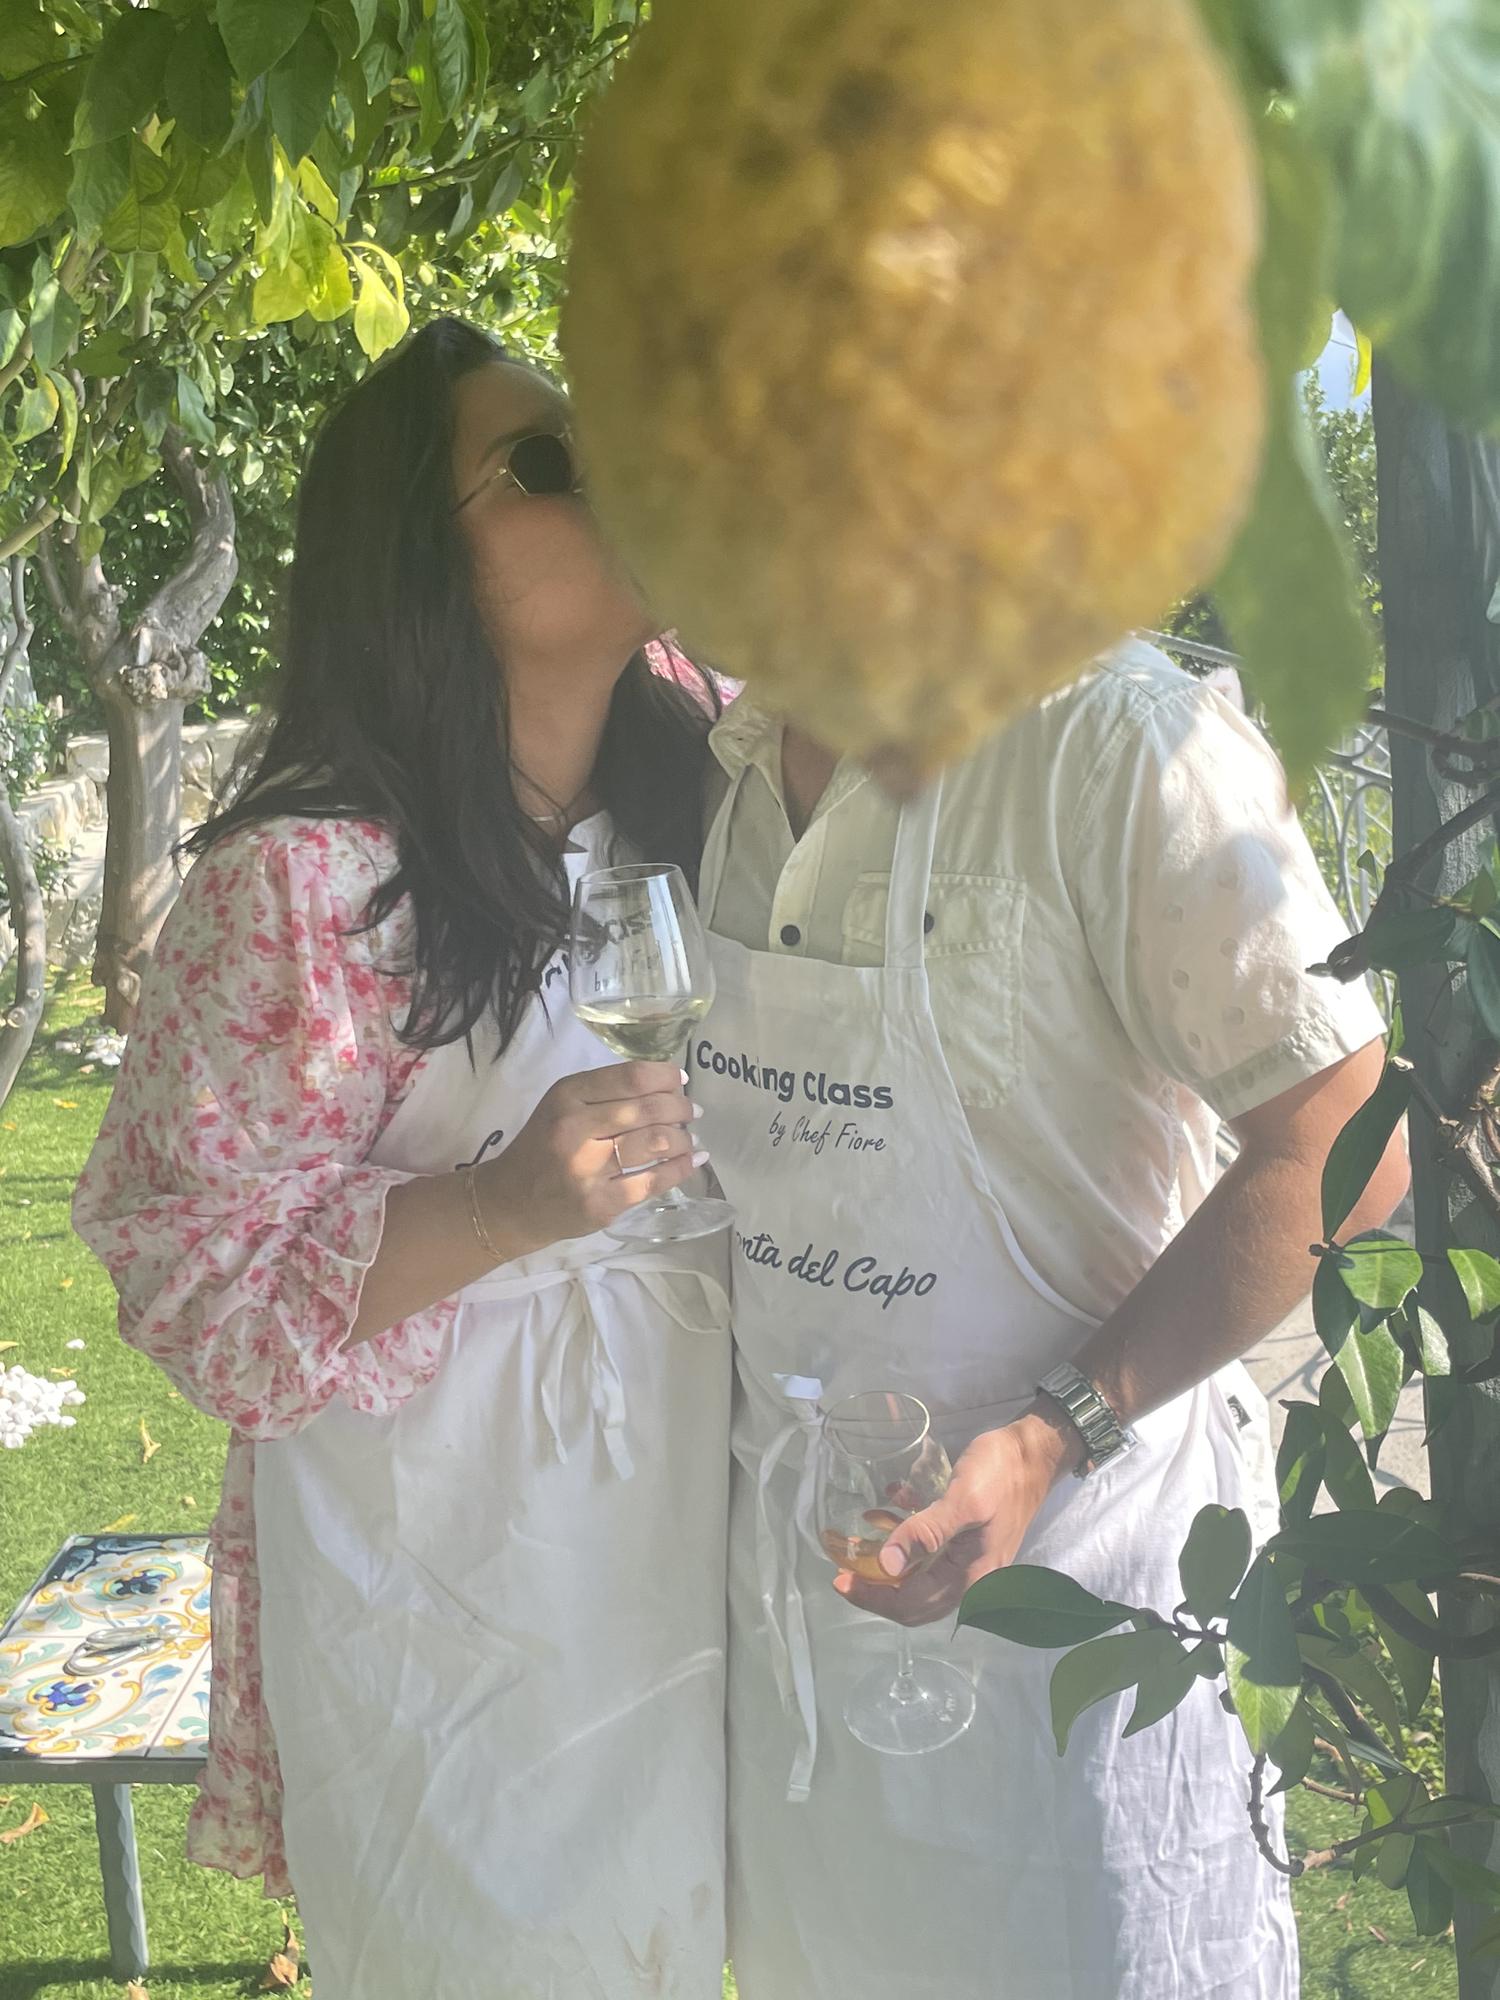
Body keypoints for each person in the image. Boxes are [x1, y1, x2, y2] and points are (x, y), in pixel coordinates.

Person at [74, 318, 732, 1998]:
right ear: (418, 562)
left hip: (699, 1532)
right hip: (455, 1565)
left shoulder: (715, 809)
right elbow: (199, 1291)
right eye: (552, 462)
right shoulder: (307, 882)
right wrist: (501, 1208)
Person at [694, 636, 1408, 1999]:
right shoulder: (731, 759)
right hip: (814, 1622)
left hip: (1090, 1607)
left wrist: (1050, 1434)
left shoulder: (1124, 743)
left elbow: (1343, 1147)